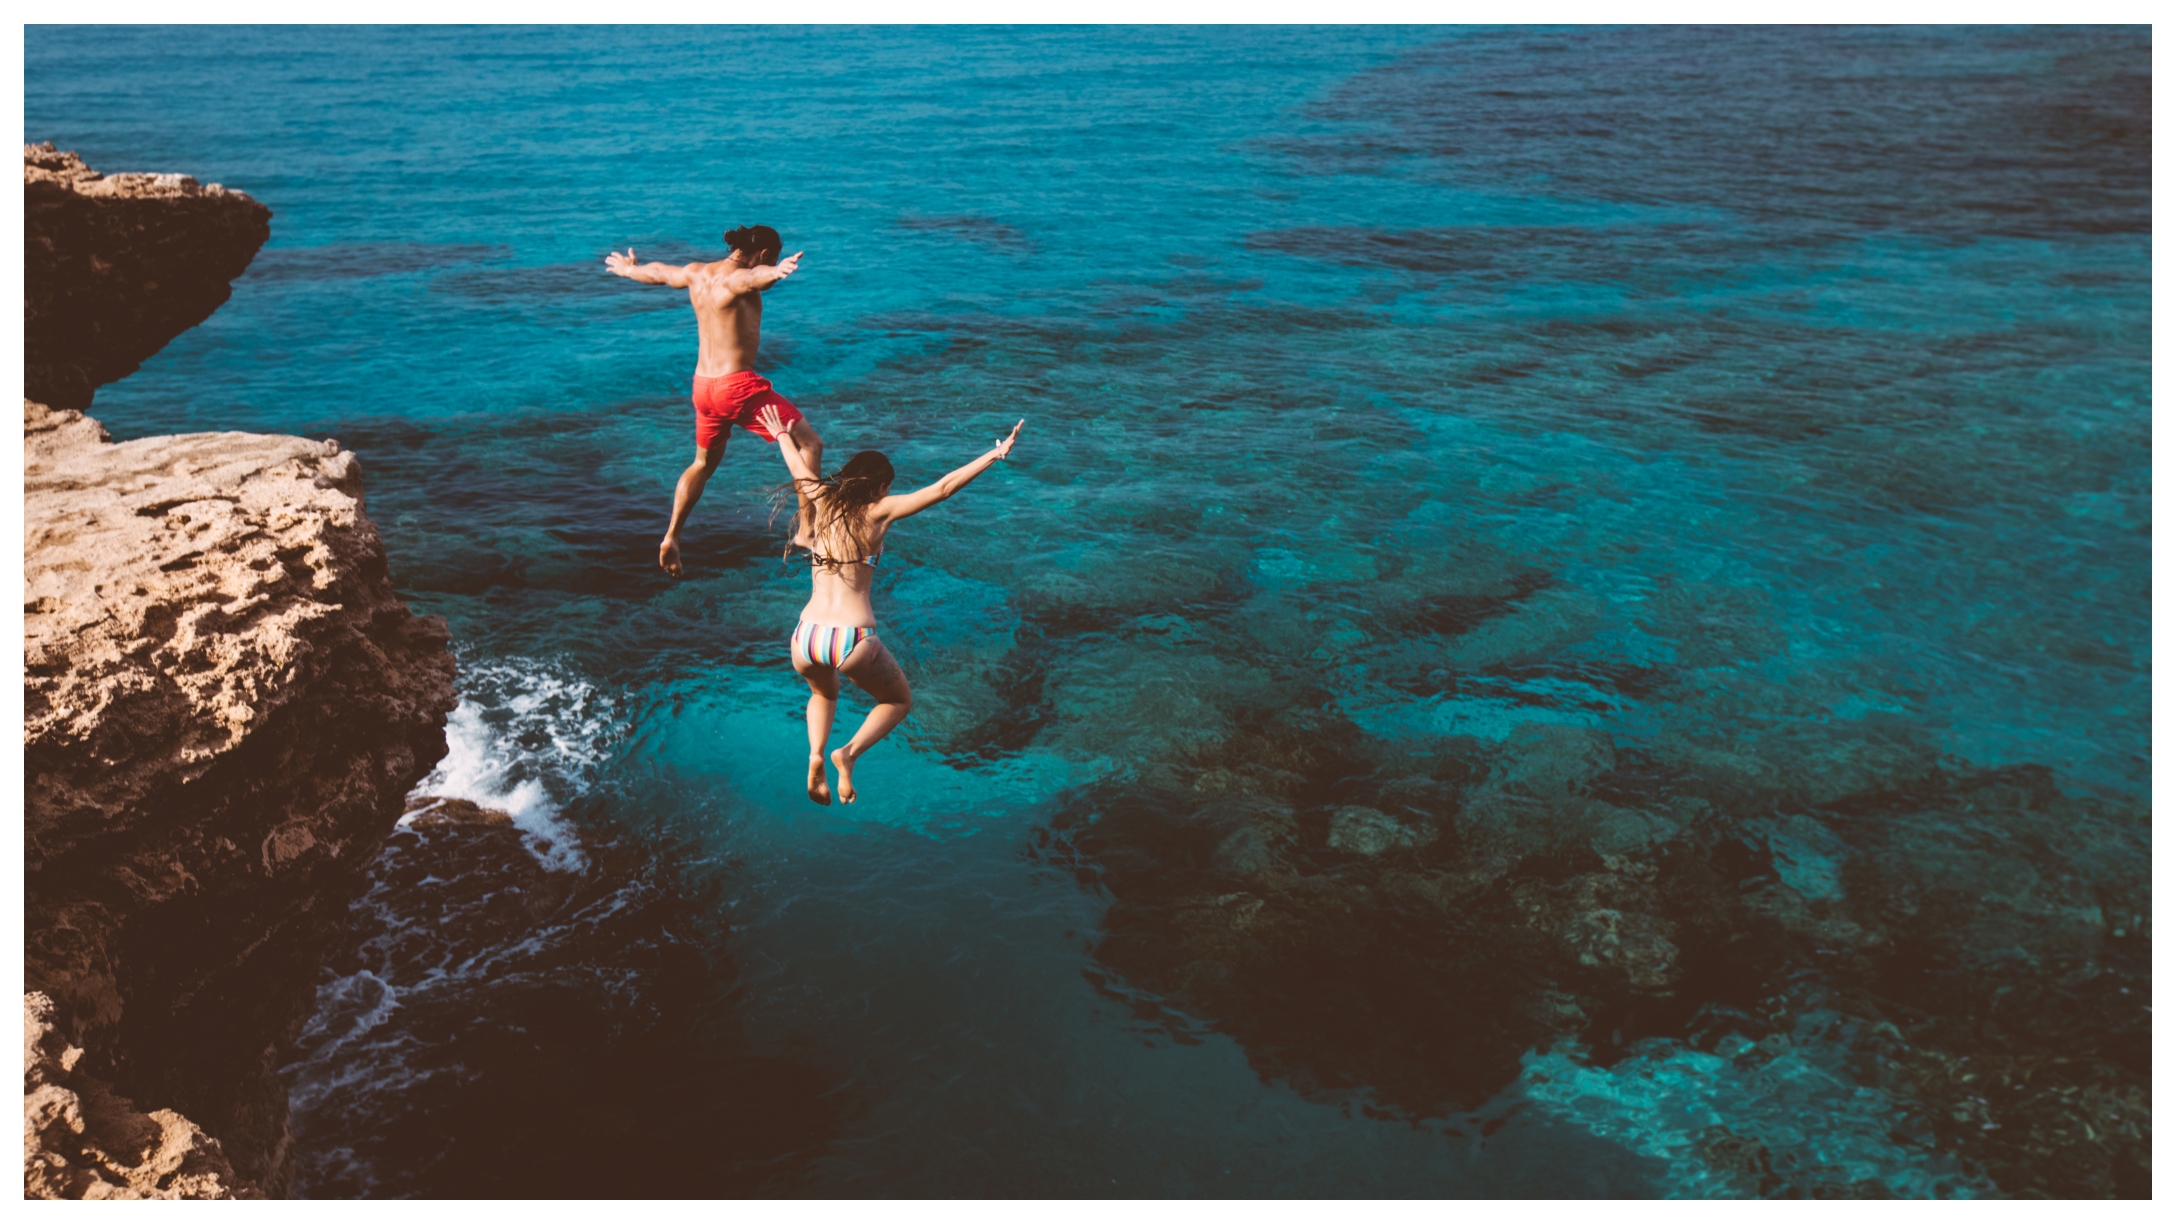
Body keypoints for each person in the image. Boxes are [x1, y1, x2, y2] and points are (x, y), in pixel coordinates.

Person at [757, 402, 1024, 805]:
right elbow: (942, 489)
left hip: (805, 637)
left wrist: (780, 434)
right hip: (851, 638)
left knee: (823, 695)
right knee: (898, 701)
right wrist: (994, 454)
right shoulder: (880, 512)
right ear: (880, 487)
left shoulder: (822, 498)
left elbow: (798, 468)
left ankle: (814, 754)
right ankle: (846, 755)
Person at [604, 224, 824, 576]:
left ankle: (672, 536)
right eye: (773, 257)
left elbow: (660, 273)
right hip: (737, 387)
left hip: (703, 387)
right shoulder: (740, 278)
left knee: (702, 464)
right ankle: (806, 531)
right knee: (810, 444)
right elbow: (753, 281)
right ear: (765, 254)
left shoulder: (697, 273)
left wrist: (630, 269)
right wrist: (777, 274)